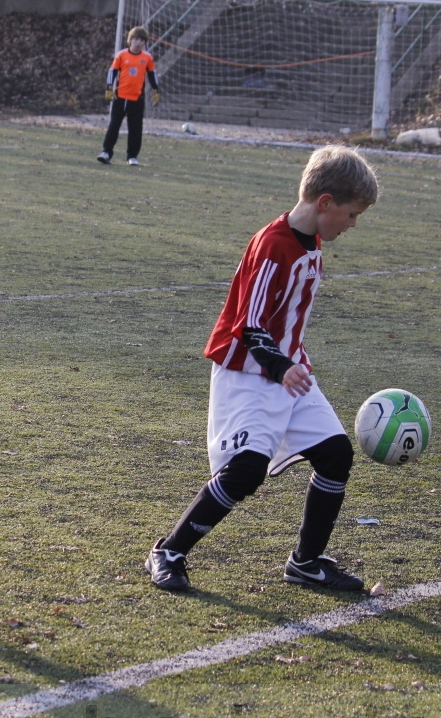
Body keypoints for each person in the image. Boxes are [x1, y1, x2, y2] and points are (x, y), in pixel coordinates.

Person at [144, 145, 380, 593]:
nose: (352, 225)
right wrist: (280, 365)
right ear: (325, 202)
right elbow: (247, 324)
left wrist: (290, 365)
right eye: (351, 215)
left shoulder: (311, 240)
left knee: (335, 456)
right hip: (249, 372)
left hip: (289, 369)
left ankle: (306, 563)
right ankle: (168, 551)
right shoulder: (273, 247)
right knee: (245, 470)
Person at [97, 26, 160, 166]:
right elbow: (112, 71)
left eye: (142, 40)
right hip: (120, 97)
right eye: (136, 39)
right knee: (114, 125)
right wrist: (109, 88)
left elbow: (152, 74)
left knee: (136, 128)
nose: (138, 42)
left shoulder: (147, 57)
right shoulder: (121, 55)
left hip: (137, 98)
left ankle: (132, 156)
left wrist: (156, 91)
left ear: (145, 43)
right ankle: (106, 152)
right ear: (130, 40)